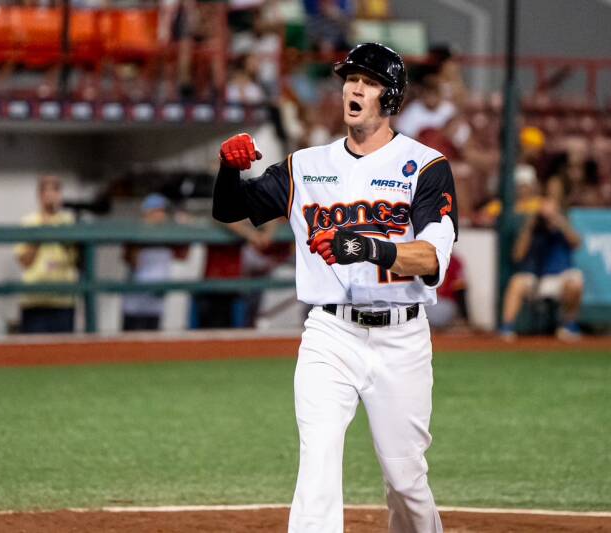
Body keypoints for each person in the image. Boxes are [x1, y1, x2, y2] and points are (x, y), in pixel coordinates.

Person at [212, 43, 457, 533]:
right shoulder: (306, 165)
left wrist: (366, 247)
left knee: (406, 480)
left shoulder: (426, 166)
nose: (354, 89)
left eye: (368, 82)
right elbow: (230, 208)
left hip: (401, 339)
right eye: (350, 80)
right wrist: (228, 169)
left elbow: (431, 258)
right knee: (317, 462)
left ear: (391, 96)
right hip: (330, 334)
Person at [499, 197, 584, 342]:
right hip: (538, 279)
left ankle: (568, 325)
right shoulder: (534, 230)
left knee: (575, 282)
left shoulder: (562, 229)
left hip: (561, 278)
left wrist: (558, 220)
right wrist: (530, 226)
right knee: (517, 282)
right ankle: (507, 327)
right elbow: (518, 255)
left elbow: (577, 243)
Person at [14, 175, 78, 334]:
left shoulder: (69, 222)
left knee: (63, 347)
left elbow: (77, 259)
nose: (50, 195)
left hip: (63, 300)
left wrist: (59, 232)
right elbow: (24, 261)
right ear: (40, 195)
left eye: (55, 190)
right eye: (46, 191)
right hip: (35, 300)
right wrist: (42, 231)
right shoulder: (28, 222)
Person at [121, 194, 189, 331]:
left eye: (163, 211)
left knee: (153, 336)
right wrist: (144, 230)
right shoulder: (136, 233)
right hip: (135, 300)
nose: (161, 215)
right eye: (157, 211)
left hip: (156, 300)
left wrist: (184, 229)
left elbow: (183, 255)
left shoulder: (167, 236)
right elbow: (131, 259)